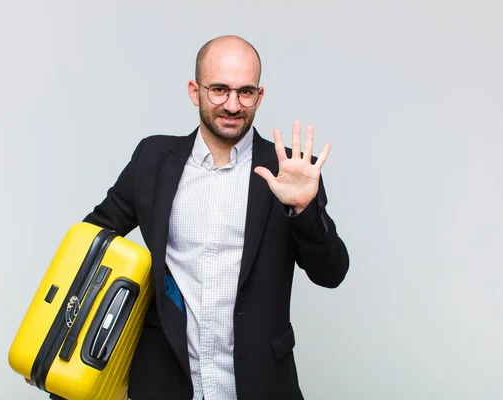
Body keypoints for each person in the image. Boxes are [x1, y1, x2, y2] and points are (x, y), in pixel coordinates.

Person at [83, 35, 348, 399]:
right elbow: (89, 245)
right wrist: (52, 347)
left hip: (260, 383)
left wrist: (303, 208)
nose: (233, 104)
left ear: (259, 95)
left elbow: (331, 274)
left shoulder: (289, 170)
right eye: (219, 90)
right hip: (165, 381)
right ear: (195, 91)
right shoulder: (153, 159)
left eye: (246, 92)